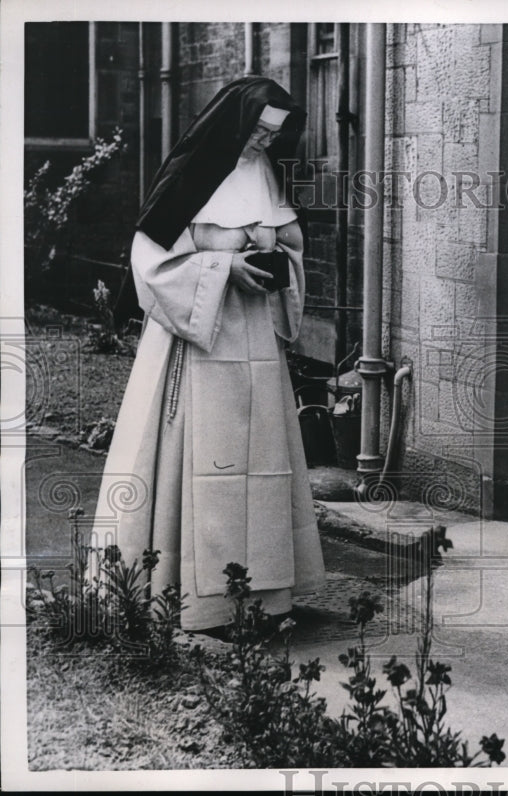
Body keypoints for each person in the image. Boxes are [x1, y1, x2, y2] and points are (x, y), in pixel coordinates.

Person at [93, 77, 325, 631]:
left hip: (255, 343)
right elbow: (149, 262)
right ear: (235, 124)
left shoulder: (266, 171)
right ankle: (193, 599)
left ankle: (266, 598)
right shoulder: (191, 174)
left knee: (262, 467)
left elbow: (291, 242)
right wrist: (224, 268)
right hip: (198, 337)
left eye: (275, 133)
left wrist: (272, 258)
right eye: (258, 131)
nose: (265, 142)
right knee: (201, 465)